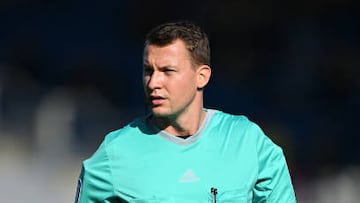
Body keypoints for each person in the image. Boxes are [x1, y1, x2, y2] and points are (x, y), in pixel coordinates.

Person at [74, 21, 296, 203]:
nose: (153, 83)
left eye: (167, 71)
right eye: (148, 70)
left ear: (202, 76)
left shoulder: (247, 141)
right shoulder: (115, 153)